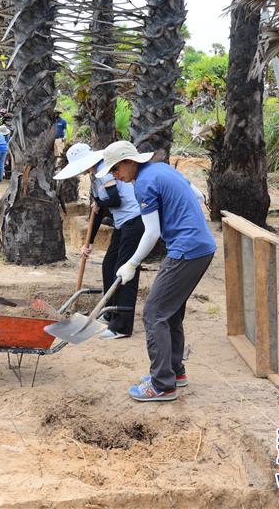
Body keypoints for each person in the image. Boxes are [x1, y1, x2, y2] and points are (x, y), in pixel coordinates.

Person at [97, 141, 215, 402]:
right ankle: (174, 371)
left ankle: (163, 384)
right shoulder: (161, 170)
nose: (115, 176)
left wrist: (131, 263)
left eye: (116, 169)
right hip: (199, 246)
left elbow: (152, 232)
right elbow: (197, 194)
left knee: (153, 313)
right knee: (168, 311)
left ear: (130, 161)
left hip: (187, 250)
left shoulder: (144, 184)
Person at [55, 143, 144, 339]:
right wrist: (90, 242)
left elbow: (114, 200)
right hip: (123, 224)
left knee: (124, 272)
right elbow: (99, 211)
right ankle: (110, 312)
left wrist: (98, 203)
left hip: (135, 221)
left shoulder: (105, 169)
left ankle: (122, 326)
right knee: (108, 265)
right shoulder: (95, 175)